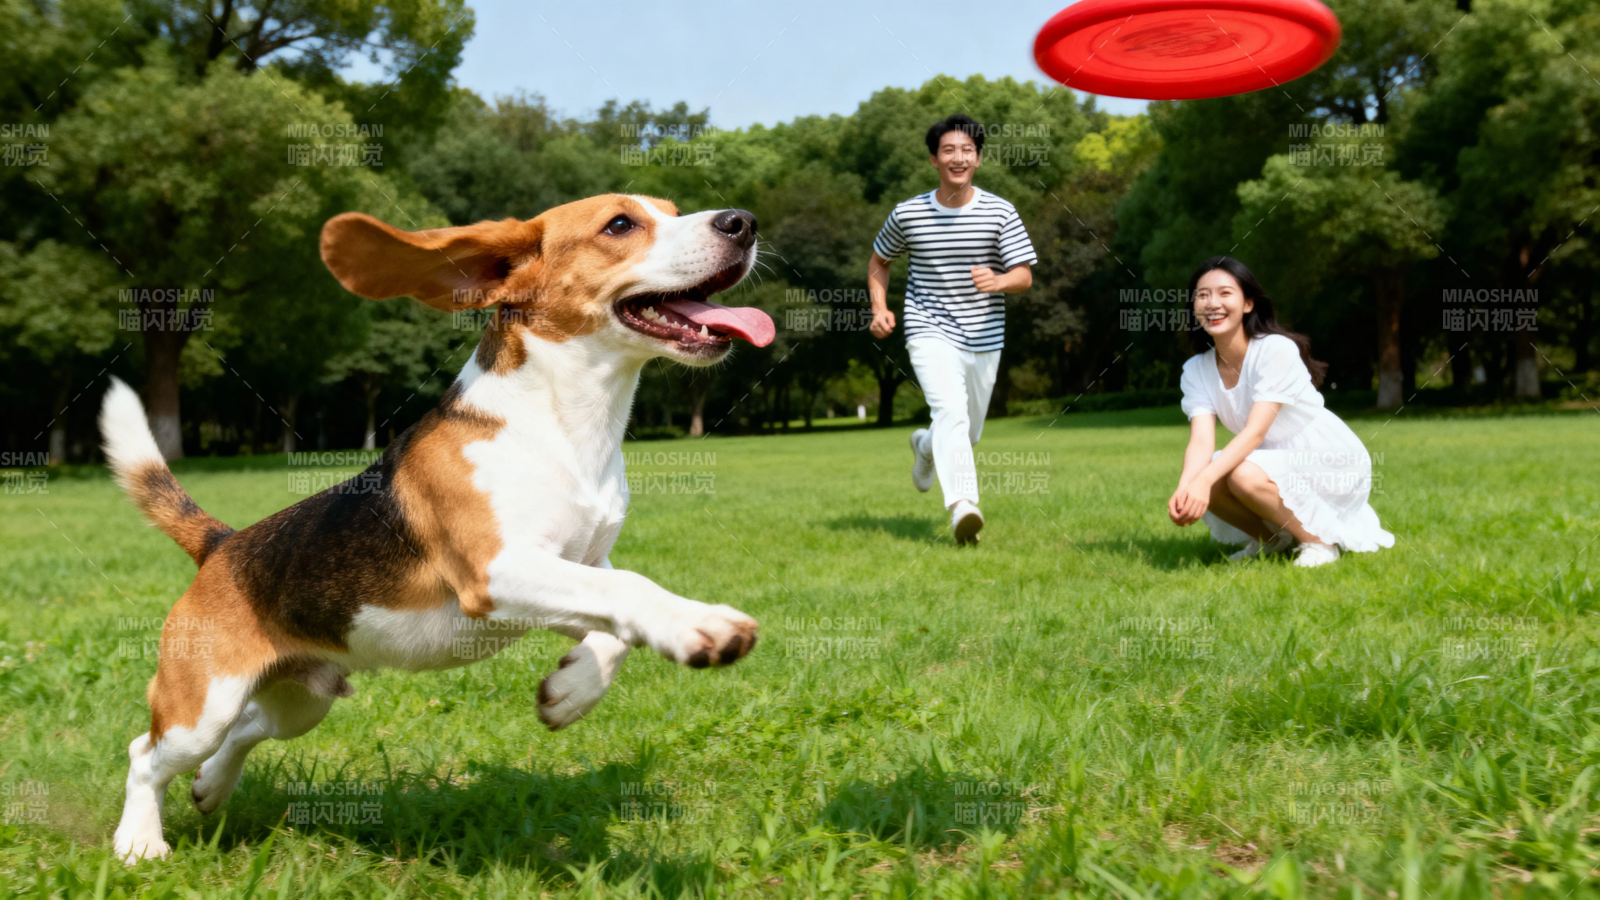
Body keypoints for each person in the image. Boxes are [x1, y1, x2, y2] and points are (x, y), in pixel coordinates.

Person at [867, 114, 1038, 545]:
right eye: (948, 151)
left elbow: (1023, 275)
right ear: (933, 160)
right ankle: (963, 505)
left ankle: (924, 446)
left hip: (984, 336)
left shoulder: (1000, 211)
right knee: (952, 414)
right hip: (928, 327)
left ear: (978, 158)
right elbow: (879, 261)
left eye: (967, 150)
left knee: (968, 431)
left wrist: (998, 281)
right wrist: (879, 307)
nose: (958, 158)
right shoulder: (909, 214)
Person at [1168, 256, 1394, 567]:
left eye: (1224, 293)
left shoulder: (1275, 350)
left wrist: (1202, 480)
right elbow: (1201, 441)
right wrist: (1187, 485)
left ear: (1248, 304)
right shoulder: (1196, 370)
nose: (1212, 303)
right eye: (1202, 294)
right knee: (1211, 473)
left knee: (1238, 474)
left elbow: (1255, 432)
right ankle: (1272, 542)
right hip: (1265, 457)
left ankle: (1320, 542)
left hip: (1324, 455)